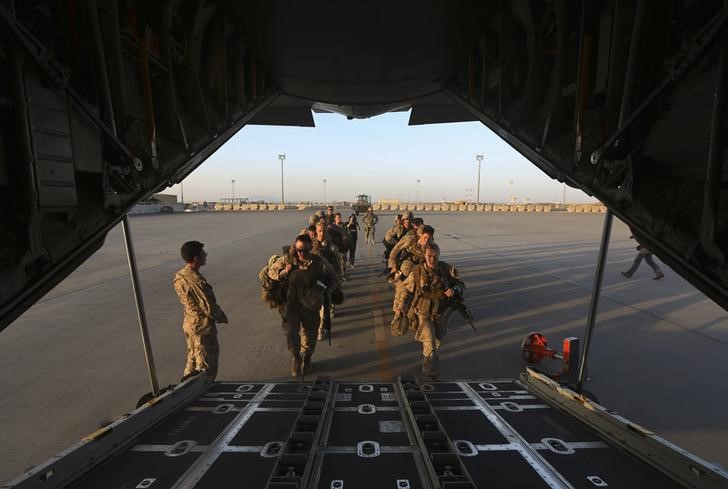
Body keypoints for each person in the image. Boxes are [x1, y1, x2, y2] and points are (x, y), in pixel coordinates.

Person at [268, 235, 339, 376]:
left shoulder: (318, 261)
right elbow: (271, 273)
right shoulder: (287, 260)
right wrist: (284, 272)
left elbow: (333, 277)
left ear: (310, 249)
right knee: (291, 332)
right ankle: (296, 356)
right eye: (299, 250)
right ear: (295, 247)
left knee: (310, 334)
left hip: (310, 305)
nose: (302, 254)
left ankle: (307, 356)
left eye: (305, 251)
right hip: (291, 304)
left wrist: (325, 290)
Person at [393, 242, 463, 379]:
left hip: (441, 313)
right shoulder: (417, 271)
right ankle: (430, 371)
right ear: (424, 255)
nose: (432, 259)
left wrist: (454, 289)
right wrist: (400, 307)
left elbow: (461, 284)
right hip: (423, 313)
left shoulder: (446, 269)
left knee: (437, 340)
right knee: (430, 341)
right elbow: (406, 290)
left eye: (435, 256)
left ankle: (430, 360)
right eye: (429, 256)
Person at [172, 241, 228, 381]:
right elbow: (208, 307)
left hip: (189, 323)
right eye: (203, 253)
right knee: (207, 365)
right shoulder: (196, 281)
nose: (206, 255)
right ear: (196, 258)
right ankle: (203, 390)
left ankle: (184, 388)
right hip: (202, 327)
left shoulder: (180, 275)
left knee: (192, 359)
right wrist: (222, 317)